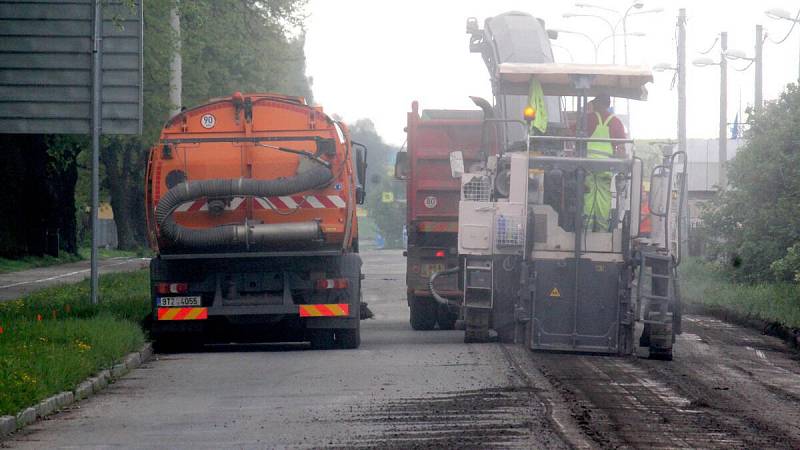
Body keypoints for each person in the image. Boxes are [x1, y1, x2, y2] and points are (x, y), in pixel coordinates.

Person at [583, 94, 627, 231]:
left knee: (588, 194)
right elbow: (621, 149)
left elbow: (570, 133)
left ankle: (587, 229)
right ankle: (602, 230)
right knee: (603, 196)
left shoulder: (588, 119)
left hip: (588, 165)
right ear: (608, 104)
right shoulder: (616, 122)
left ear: (596, 104)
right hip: (606, 166)